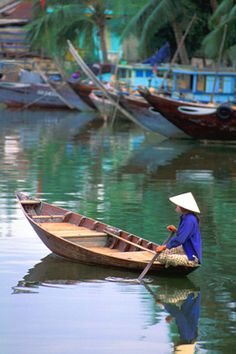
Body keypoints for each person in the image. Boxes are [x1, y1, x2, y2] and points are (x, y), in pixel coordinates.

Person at [156, 192, 202, 267]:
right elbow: (185, 234)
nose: (176, 206)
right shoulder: (185, 217)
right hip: (185, 248)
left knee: (164, 257)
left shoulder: (189, 220)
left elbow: (180, 240)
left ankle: (186, 263)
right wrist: (176, 231)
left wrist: (164, 246)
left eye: (178, 205)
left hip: (192, 255)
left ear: (183, 207)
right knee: (160, 255)